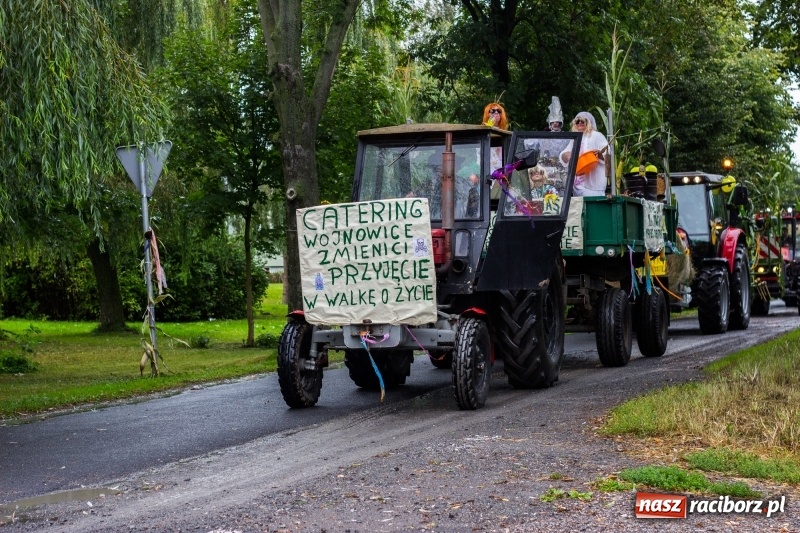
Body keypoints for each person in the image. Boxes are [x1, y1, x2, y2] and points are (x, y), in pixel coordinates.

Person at [559, 111, 608, 197]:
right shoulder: (575, 137)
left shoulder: (597, 136)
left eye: (583, 121)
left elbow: (609, 155)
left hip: (593, 187)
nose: (580, 123)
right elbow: (563, 154)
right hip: (576, 186)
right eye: (577, 121)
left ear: (589, 122)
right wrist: (565, 156)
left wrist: (599, 154)